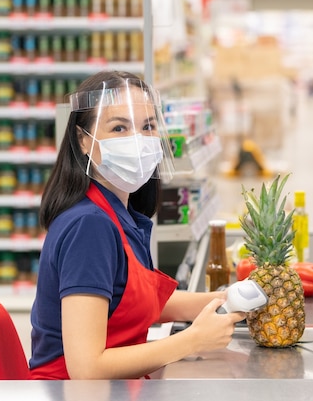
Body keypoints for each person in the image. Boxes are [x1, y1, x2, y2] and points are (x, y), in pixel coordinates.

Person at [29, 70, 246, 380]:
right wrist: (192, 340)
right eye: (119, 127)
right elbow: (86, 368)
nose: (138, 141)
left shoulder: (119, 213)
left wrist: (225, 301)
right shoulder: (90, 227)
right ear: (83, 140)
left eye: (148, 126)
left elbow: (131, 301)